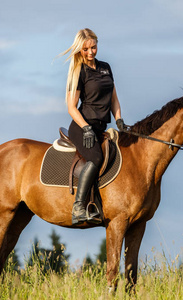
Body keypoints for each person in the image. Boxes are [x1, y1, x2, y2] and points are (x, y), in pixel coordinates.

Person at [60, 28, 125, 225]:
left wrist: (119, 118)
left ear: (97, 44)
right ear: (80, 50)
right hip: (81, 127)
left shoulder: (106, 67)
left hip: (100, 127)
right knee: (96, 157)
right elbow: (71, 107)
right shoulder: (79, 71)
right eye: (86, 49)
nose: (90, 53)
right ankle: (79, 207)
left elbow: (113, 98)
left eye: (93, 47)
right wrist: (86, 127)